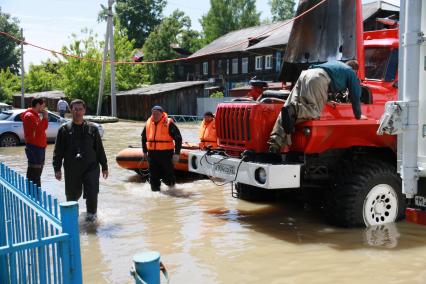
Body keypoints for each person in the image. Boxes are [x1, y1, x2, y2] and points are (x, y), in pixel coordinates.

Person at [268, 60, 368, 153]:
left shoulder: (335, 65)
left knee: (286, 108)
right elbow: (355, 94)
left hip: (305, 75)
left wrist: (326, 99)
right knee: (313, 111)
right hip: (318, 78)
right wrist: (358, 115)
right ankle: (295, 110)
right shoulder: (350, 72)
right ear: (355, 70)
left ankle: (274, 143)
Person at [53, 99, 108, 222]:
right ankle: (73, 221)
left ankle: (92, 221)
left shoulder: (92, 129)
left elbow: (99, 149)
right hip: (72, 169)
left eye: (80, 109)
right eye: (75, 109)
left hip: (91, 168)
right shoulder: (64, 130)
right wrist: (57, 169)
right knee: (72, 196)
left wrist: (104, 166)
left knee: (92, 194)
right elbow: (58, 151)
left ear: (84, 110)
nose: (78, 112)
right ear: (70, 110)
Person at [142, 106, 182, 192]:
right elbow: (143, 138)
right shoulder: (148, 123)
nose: (155, 115)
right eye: (153, 113)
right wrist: (144, 151)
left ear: (162, 114)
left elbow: (178, 138)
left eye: (157, 114)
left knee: (168, 176)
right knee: (153, 176)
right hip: (152, 154)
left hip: (166, 154)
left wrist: (177, 153)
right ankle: (155, 193)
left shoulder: (168, 123)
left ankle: (172, 191)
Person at [21, 98, 48, 187]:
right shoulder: (30, 116)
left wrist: (44, 117)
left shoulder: (35, 115)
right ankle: (33, 195)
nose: (44, 108)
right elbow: (40, 129)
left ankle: (35, 194)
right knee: (34, 173)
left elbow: (43, 127)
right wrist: (45, 116)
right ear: (37, 105)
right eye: (43, 106)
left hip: (39, 148)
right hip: (35, 148)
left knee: (37, 172)